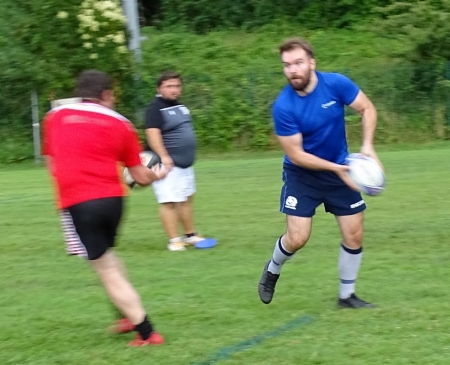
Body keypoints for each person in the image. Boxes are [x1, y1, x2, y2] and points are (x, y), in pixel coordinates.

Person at [43, 70, 168, 346]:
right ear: (107, 95)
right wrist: (157, 174)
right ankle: (126, 315)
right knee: (106, 258)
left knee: (104, 267)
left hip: (78, 201)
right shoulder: (122, 123)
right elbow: (139, 176)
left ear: (80, 93)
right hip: (114, 201)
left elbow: (53, 165)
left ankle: (147, 333)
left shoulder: (54, 117)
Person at [258, 38, 383, 308]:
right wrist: (339, 168)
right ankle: (273, 269)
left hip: (341, 169)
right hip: (302, 175)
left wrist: (368, 147)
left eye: (298, 63)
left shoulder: (336, 84)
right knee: (298, 238)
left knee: (354, 234)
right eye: (287, 65)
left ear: (312, 63)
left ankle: (346, 296)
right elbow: (296, 154)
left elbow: (366, 108)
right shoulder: (284, 106)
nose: (293, 70)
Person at [144, 71, 205, 251]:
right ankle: (174, 240)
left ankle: (190, 235)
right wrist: (164, 156)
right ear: (159, 88)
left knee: (185, 198)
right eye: (169, 86)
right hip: (167, 164)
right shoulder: (155, 107)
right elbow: (152, 133)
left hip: (184, 164)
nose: (174, 90)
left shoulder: (179, 106)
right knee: (169, 201)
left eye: (177, 86)